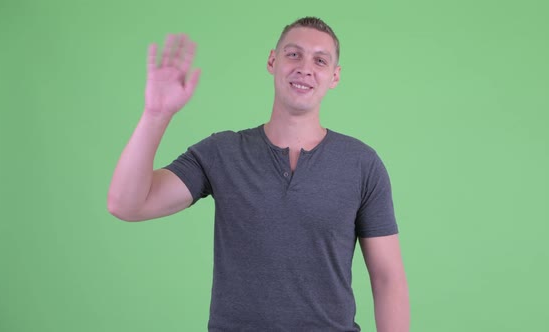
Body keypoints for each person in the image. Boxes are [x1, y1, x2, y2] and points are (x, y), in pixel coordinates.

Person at [107, 17, 409, 332]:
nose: (305, 67)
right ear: (272, 61)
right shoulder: (221, 152)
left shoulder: (362, 163)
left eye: (320, 60)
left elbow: (387, 278)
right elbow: (127, 204)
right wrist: (156, 114)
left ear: (334, 76)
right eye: (293, 54)